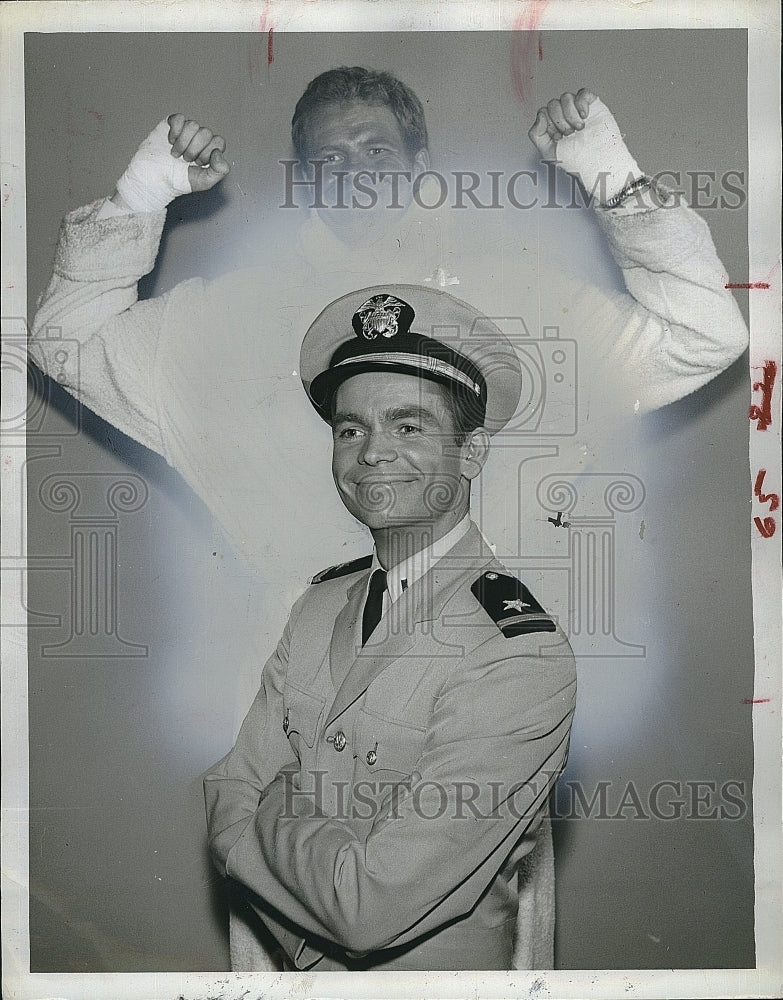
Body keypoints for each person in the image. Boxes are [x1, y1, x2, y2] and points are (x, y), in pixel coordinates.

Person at [27, 67, 748, 969]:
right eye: (328, 157)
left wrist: (605, 168)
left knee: (474, 957)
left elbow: (704, 335)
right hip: (292, 701)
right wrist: (144, 193)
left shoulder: (519, 306)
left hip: (476, 690)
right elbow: (64, 342)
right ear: (300, 175)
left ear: (421, 161)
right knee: (285, 955)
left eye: (377, 152)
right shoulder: (232, 319)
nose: (355, 173)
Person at [204, 283, 578, 971]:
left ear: (471, 453)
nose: (371, 453)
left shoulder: (516, 650)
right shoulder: (319, 607)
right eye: (351, 429)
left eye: (408, 427)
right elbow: (224, 800)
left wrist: (271, 803)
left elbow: (367, 909)